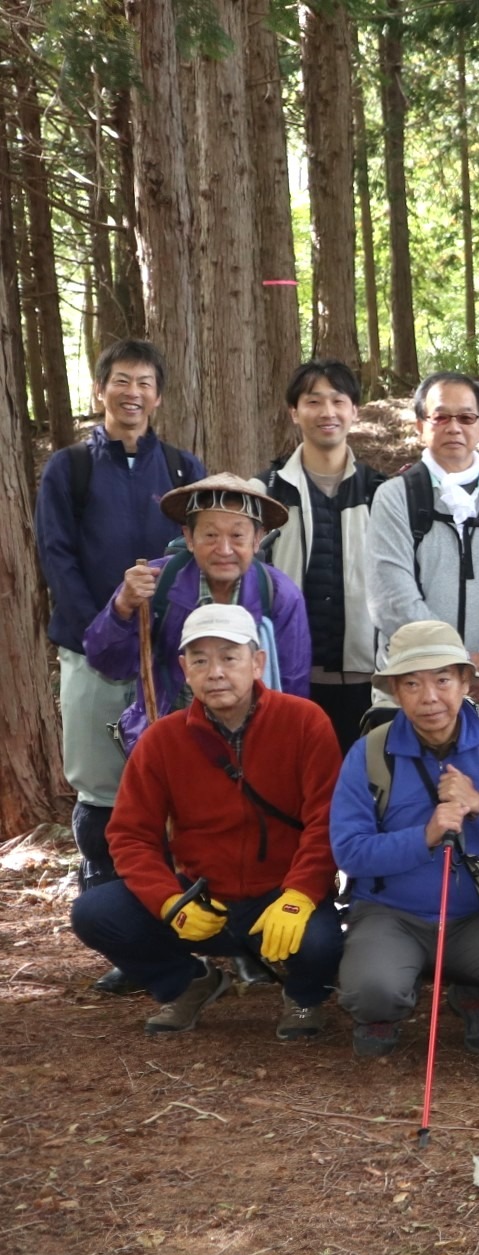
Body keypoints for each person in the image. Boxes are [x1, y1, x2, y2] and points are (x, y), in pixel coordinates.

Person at [70, 605, 343, 1038]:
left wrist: (300, 894)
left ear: (257, 662)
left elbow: (326, 820)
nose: (215, 672)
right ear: (185, 670)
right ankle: (186, 983)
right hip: (202, 898)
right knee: (95, 913)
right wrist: (168, 901)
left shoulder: (304, 722)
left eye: (229, 657)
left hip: (278, 895)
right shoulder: (163, 739)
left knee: (321, 944)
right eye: (200, 660)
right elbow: (130, 835)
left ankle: (304, 997)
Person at [330, 621, 479, 1058]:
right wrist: (426, 835)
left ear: (466, 683)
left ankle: (473, 995)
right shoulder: (369, 753)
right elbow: (350, 852)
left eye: (442, 680)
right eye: (412, 684)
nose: (429, 697)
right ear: (395, 692)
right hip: (392, 914)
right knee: (372, 991)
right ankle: (388, 1003)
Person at [35, 338, 203, 894]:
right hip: (92, 653)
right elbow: (57, 556)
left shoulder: (182, 468)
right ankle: (108, 906)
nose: (133, 393)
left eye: (145, 383)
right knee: (101, 785)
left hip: (171, 657)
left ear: (158, 397)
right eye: (122, 381)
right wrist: (101, 631)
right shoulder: (71, 468)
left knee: (178, 778)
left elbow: (201, 557)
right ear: (100, 389)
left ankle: (180, 905)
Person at [83, 475, 310, 754]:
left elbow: (293, 687)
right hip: (170, 745)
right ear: (189, 538)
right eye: (210, 535)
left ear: (257, 539)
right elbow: (109, 663)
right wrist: (122, 608)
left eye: (237, 536)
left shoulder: (280, 596)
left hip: (251, 749)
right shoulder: (155, 583)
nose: (224, 550)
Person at [369, 371, 479, 730]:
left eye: (466, 417)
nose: (454, 427)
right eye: (441, 417)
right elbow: (392, 595)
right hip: (411, 688)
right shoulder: (394, 496)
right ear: (420, 425)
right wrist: (457, 669)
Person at [261, 359, 388, 751]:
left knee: (365, 779)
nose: (327, 412)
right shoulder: (267, 493)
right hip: (287, 678)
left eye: (338, 400)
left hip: (368, 681)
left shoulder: (381, 493)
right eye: (313, 401)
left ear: (354, 411)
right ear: (294, 412)